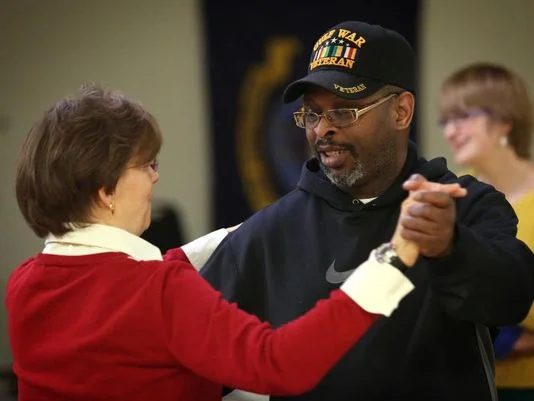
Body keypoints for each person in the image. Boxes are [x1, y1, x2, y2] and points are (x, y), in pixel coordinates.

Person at [6, 84, 464, 401]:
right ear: (106, 190)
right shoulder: (159, 292)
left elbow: (114, 295)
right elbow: (281, 363)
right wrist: (393, 257)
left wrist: (234, 235)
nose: (155, 177)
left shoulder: (25, 283)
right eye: (146, 165)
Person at [200, 21, 534, 401]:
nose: (322, 130)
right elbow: (193, 345)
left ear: (401, 111)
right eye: (312, 114)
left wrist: (451, 248)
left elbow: (512, 299)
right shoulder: (270, 230)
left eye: (343, 112)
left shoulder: (460, 204)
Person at [439, 62, 534, 401]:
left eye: (463, 116)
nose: (450, 132)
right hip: (470, 385)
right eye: (445, 120)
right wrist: (505, 339)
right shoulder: (450, 197)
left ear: (505, 119)